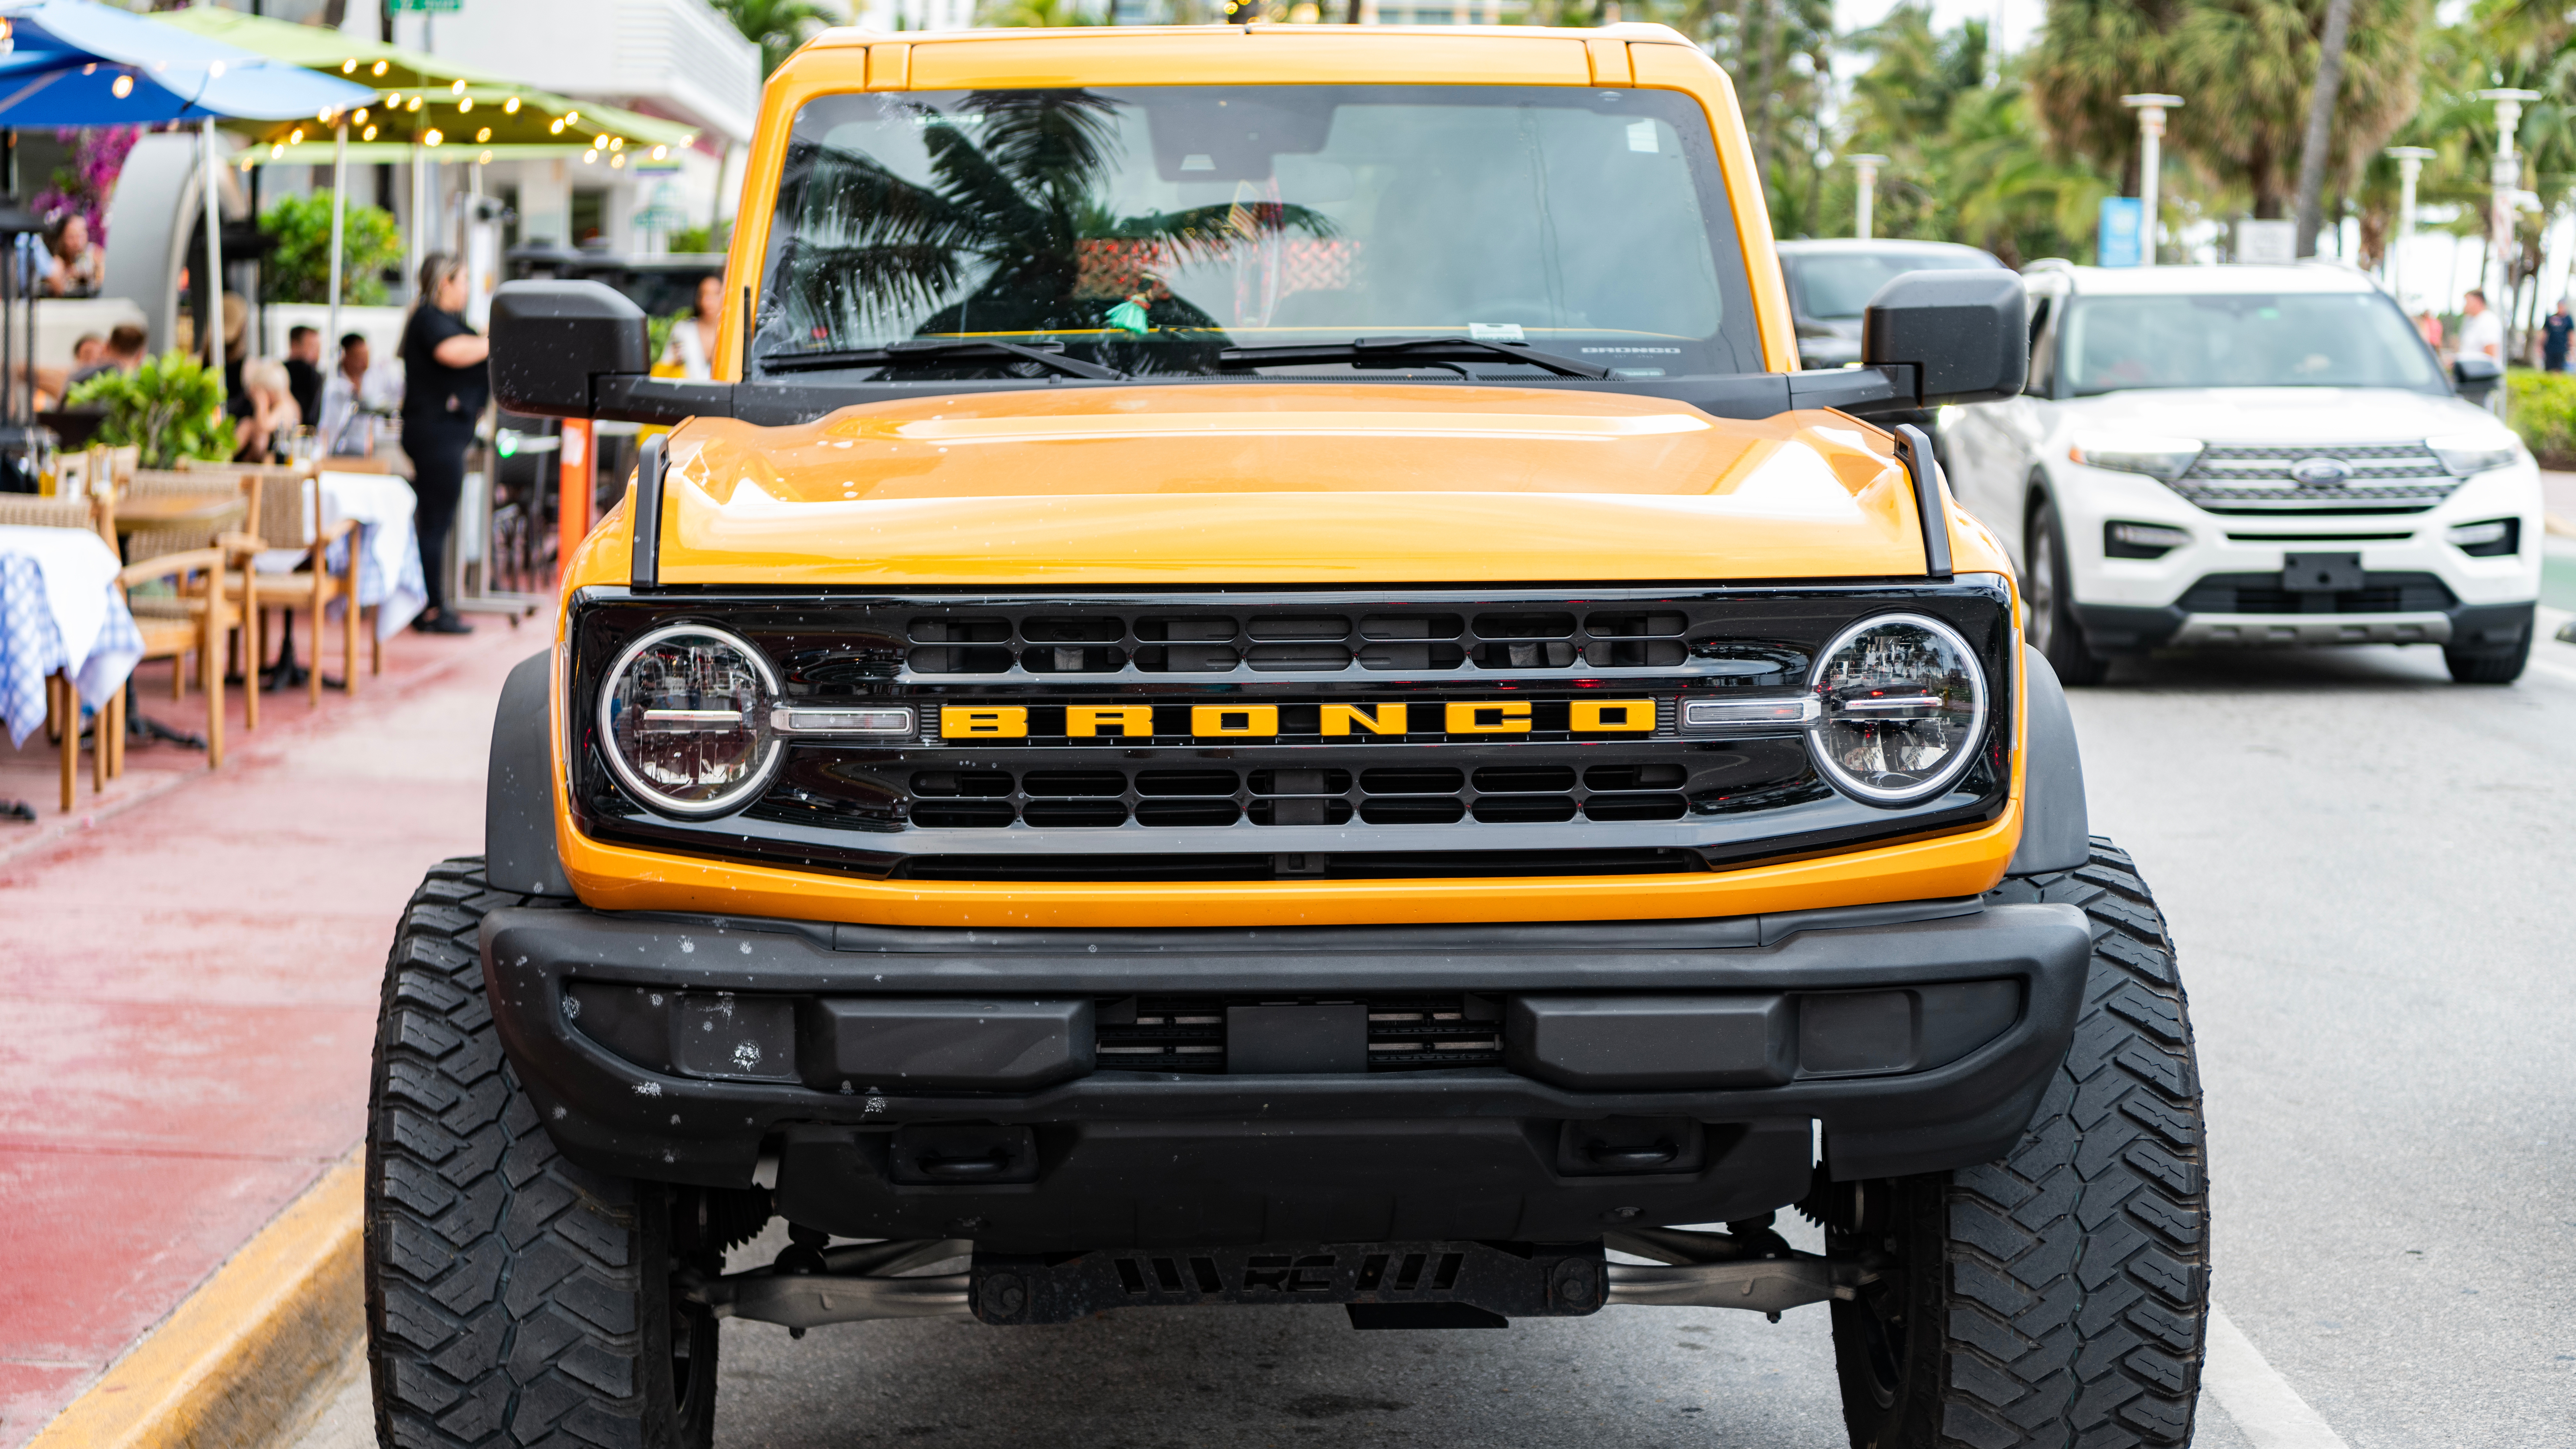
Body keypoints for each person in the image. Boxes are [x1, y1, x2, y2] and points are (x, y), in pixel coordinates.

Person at [400, 254, 489, 635]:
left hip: (446, 434)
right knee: (434, 524)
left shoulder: (448, 322)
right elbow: (453, 352)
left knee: (436, 522)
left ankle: (428, 601)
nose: (467, 288)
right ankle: (432, 607)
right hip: (435, 435)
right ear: (443, 283)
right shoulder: (428, 320)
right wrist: (496, 340)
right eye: (463, 280)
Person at [319, 332, 401, 457]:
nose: (365, 363)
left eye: (367, 356)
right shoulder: (333, 384)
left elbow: (397, 389)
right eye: (360, 358)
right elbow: (327, 423)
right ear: (346, 356)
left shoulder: (377, 375)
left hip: (373, 447)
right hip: (340, 449)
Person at [235, 358, 302, 463]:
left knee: (249, 427)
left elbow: (264, 426)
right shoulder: (279, 405)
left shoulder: (286, 407)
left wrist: (261, 402)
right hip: (270, 457)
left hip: (281, 459)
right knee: (247, 425)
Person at [659, 274, 723, 380]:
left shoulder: (732, 333)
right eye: (703, 295)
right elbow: (665, 366)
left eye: (715, 295)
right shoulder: (684, 330)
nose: (708, 302)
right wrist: (675, 362)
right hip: (687, 393)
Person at [38, 213, 102, 297]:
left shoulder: (95, 254)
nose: (78, 242)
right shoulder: (57, 263)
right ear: (62, 239)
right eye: (72, 237)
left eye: (82, 235)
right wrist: (68, 275)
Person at [284, 325, 326, 423]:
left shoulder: (277, 370)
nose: (317, 354)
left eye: (318, 349)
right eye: (312, 347)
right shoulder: (310, 374)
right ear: (294, 346)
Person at [2458, 289, 2504, 365]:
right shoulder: (2472, 321)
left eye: (2467, 301)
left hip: (2480, 375)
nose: (2465, 306)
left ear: (2478, 301)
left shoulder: (2488, 321)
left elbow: (2491, 357)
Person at [2543, 300, 2572, 373]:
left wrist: (2572, 347)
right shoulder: (2550, 318)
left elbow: (2571, 334)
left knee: (2559, 369)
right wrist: (2540, 345)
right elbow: (2544, 332)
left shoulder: (2568, 319)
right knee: (2549, 369)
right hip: (2550, 347)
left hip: (2562, 347)